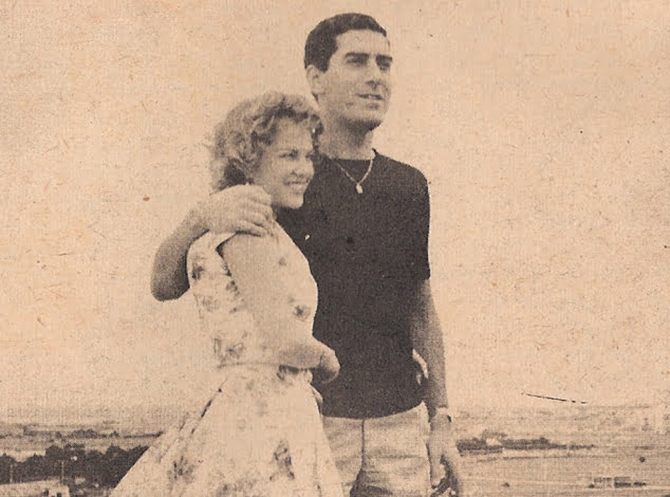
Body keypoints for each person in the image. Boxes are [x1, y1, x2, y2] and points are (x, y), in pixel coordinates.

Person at [151, 13, 466, 497]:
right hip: (309, 426)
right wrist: (201, 217)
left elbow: (421, 307)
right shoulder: (284, 179)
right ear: (316, 77)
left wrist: (440, 418)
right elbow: (166, 283)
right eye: (356, 61)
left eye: (384, 64)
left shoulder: (408, 186)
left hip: (400, 427)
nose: (375, 76)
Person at [113, 92, 343, 497]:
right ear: (248, 160)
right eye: (289, 155)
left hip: (245, 406)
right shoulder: (247, 224)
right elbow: (286, 342)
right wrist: (326, 360)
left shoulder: (237, 221)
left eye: (308, 156)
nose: (304, 169)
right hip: (260, 420)